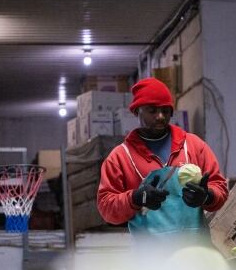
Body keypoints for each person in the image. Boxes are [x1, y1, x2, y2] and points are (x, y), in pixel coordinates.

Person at [97, 78, 228, 238]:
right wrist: (136, 197)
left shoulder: (193, 146)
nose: (160, 116)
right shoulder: (121, 157)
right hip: (151, 258)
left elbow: (220, 188)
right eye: (152, 110)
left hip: (195, 252)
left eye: (165, 111)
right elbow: (106, 208)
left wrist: (207, 196)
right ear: (137, 111)